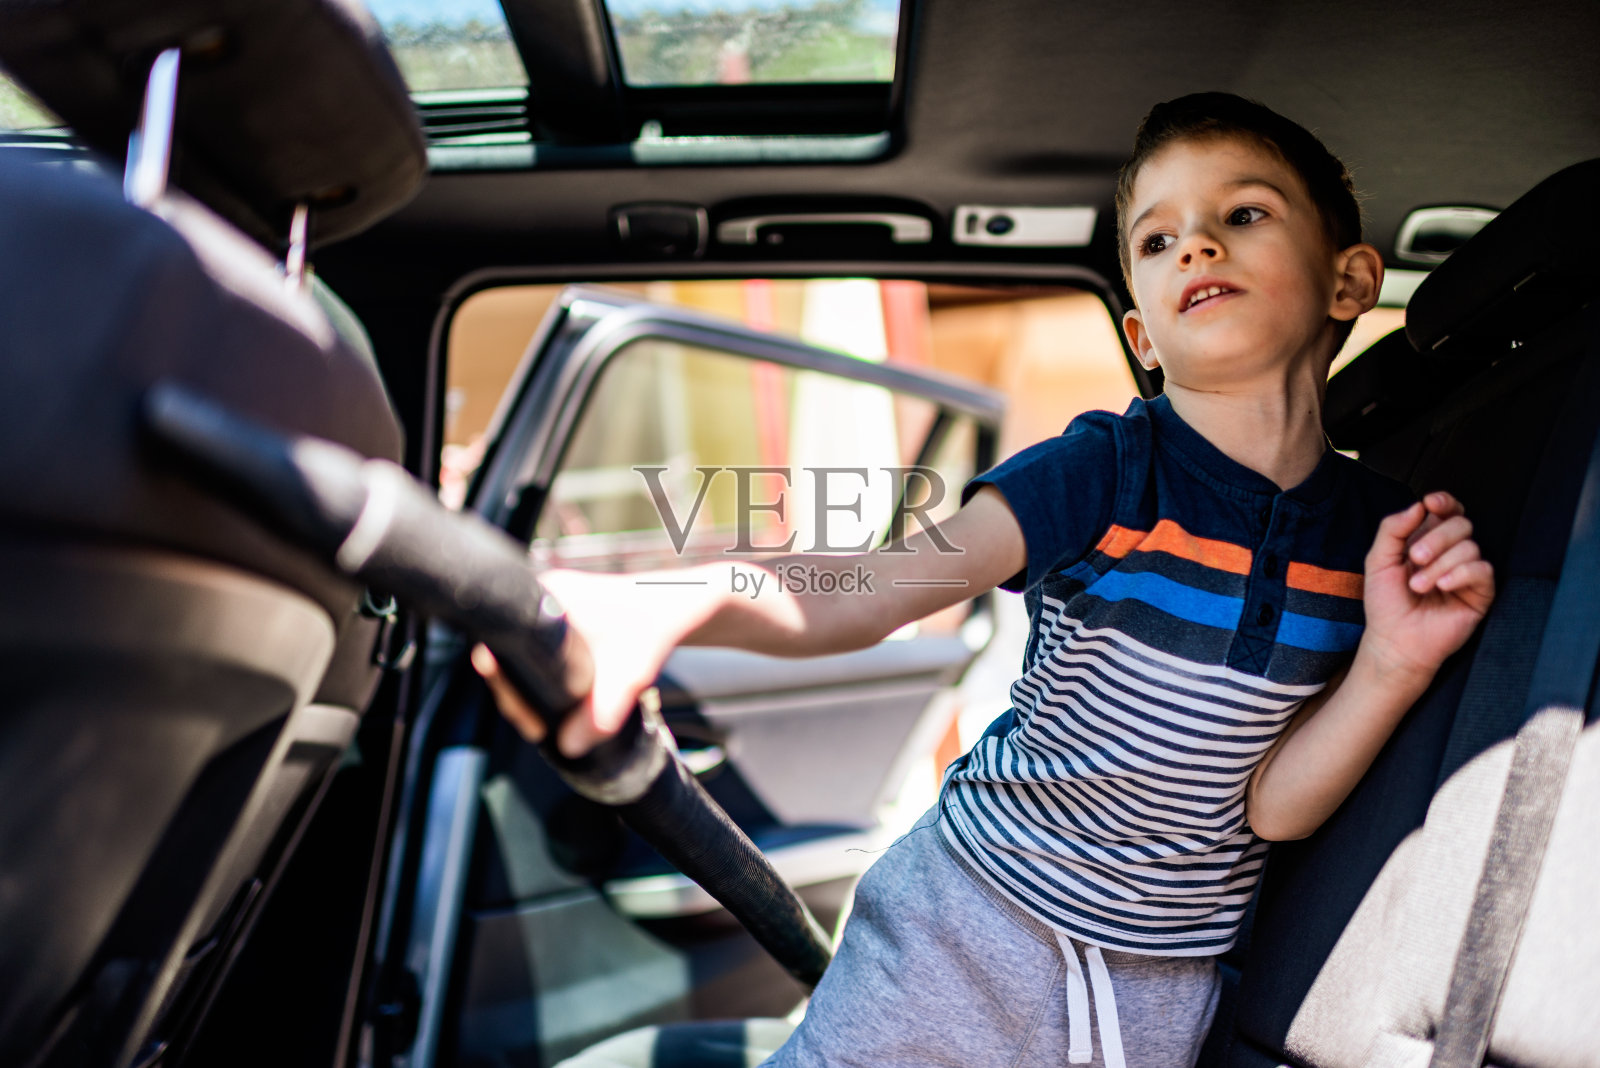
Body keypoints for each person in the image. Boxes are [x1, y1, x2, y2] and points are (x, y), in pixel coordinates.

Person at [475, 92, 1496, 1068]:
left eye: (1242, 212)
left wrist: (1393, 665)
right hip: (968, 927)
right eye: (1155, 238)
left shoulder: (1374, 533)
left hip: (1163, 985)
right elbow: (868, 591)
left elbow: (1267, 809)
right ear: (1141, 334)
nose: (1195, 243)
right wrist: (665, 599)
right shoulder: (1104, 470)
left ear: (1350, 281)